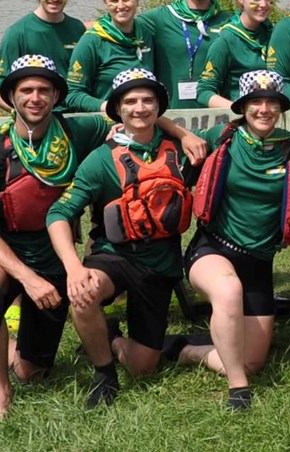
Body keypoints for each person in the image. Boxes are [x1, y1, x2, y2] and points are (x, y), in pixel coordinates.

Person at [167, 70, 290, 410]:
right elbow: (166, 132)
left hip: (258, 261)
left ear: (282, 107)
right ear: (243, 107)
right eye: (256, 102)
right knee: (228, 290)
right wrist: (175, 132)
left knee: (252, 361)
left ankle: (184, 349)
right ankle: (238, 389)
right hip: (213, 250)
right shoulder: (221, 137)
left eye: (272, 102)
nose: (264, 109)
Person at [0, 55, 113, 419]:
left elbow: (136, 113)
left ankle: (11, 348)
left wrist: (183, 133)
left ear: (56, 96)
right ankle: (0, 391)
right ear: (12, 96)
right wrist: (28, 279)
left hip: (54, 258)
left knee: (35, 372)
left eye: (44, 90)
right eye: (25, 90)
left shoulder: (79, 132)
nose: (35, 97)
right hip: (6, 251)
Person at [47, 69, 198, 407]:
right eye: (130, 101)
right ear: (117, 109)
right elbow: (58, 214)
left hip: (160, 263)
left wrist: (181, 132)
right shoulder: (101, 159)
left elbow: (242, 128)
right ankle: (104, 373)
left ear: (160, 106)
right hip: (114, 255)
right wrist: (74, 268)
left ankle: (112, 337)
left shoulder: (182, 150)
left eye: (148, 100)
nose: (140, 108)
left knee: (144, 367)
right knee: (84, 293)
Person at [139, 0, 236, 110]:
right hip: (171, 118)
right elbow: (121, 22)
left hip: (216, 119)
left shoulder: (229, 21)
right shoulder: (159, 18)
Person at [0, 0, 86, 110]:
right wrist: (23, 113)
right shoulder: (17, 33)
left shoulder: (78, 28)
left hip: (74, 113)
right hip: (37, 115)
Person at [65, 0, 154, 113]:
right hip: (106, 125)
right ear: (105, 3)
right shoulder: (91, 42)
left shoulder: (146, 32)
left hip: (144, 120)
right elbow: (72, 95)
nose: (121, 6)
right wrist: (109, 107)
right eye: (114, 0)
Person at [197, 0, 278, 108]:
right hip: (241, 121)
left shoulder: (274, 34)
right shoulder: (226, 40)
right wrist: (238, 110)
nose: (263, 4)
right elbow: (204, 92)